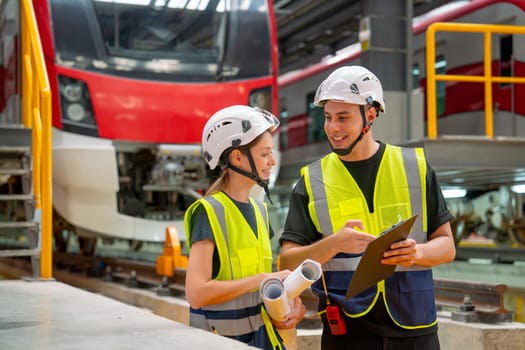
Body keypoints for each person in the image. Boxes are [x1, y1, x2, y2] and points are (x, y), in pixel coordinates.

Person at [278, 65, 456, 350]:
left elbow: (447, 247)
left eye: (343, 117)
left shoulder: (415, 168)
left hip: (415, 328)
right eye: (327, 118)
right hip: (347, 332)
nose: (332, 128)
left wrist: (417, 253)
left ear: (370, 115)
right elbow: (286, 263)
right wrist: (334, 244)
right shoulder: (311, 181)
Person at [184, 105, 305, 350]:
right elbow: (196, 293)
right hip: (218, 341)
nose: (272, 161)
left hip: (259, 339)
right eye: (264, 154)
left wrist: (291, 301)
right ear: (237, 157)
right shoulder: (208, 212)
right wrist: (264, 279)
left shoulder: (260, 211)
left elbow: (260, 285)